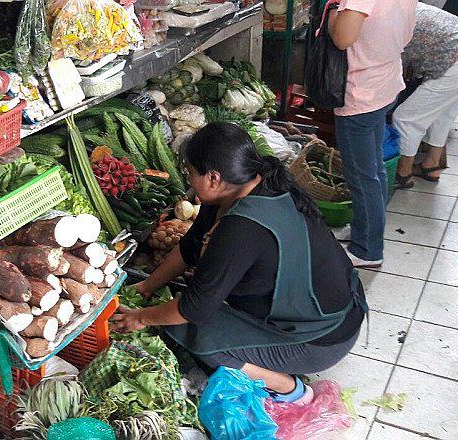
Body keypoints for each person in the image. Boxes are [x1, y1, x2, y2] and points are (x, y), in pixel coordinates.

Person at [111, 123, 367, 406]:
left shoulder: (240, 228)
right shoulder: (253, 184)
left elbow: (193, 309)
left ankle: (289, 388)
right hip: (335, 310)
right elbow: (189, 247)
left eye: (190, 173)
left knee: (198, 334)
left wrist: (141, 317)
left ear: (213, 178)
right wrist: (147, 286)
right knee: (196, 305)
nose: (189, 180)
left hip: (323, 338)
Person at [326, 0, 416, 268]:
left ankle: (367, 250)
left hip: (362, 93)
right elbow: (406, 34)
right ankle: (363, 230)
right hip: (384, 82)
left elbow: (343, 38)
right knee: (372, 169)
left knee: (362, 175)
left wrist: (332, 14)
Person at [393, 3, 458, 186]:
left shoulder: (387, 21)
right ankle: (431, 166)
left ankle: (403, 173)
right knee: (443, 114)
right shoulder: (406, 7)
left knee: (406, 118)